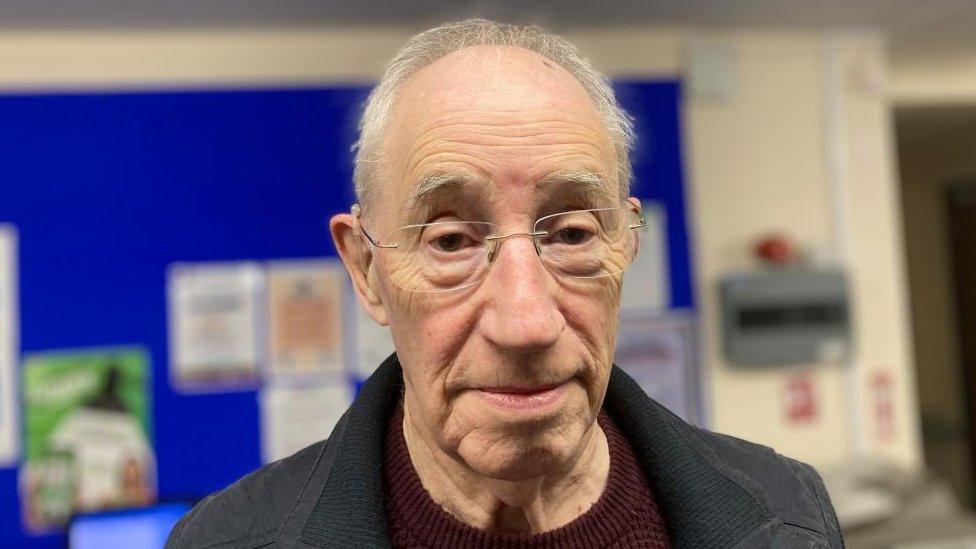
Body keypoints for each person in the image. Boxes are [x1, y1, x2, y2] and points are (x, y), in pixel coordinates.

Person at [166, 19, 843, 548]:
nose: (526, 321)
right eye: (452, 241)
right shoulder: (222, 540)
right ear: (367, 270)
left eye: (573, 232)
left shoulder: (791, 514)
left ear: (625, 246)